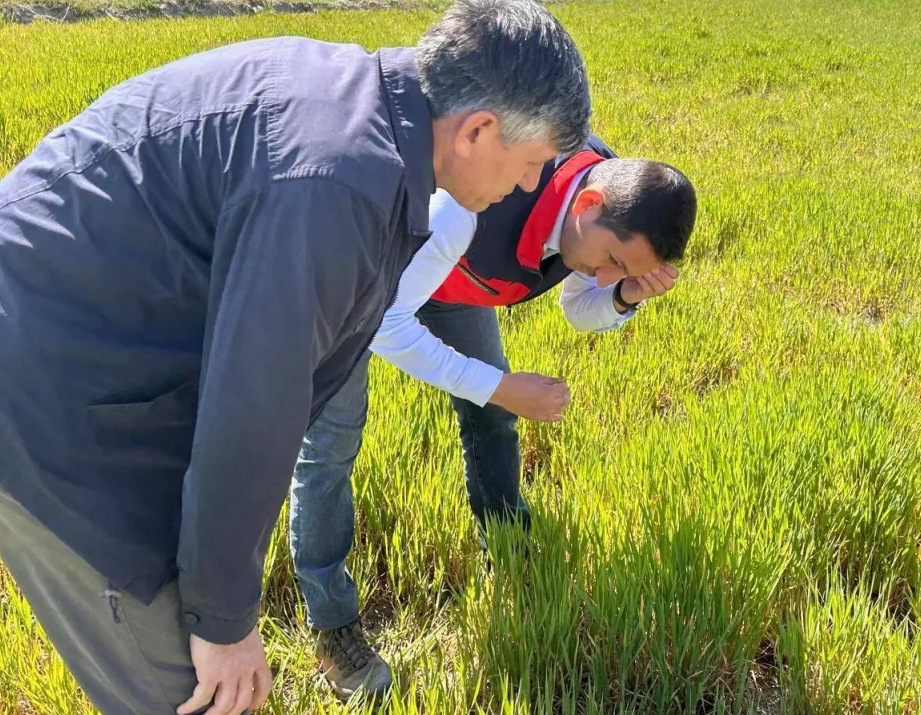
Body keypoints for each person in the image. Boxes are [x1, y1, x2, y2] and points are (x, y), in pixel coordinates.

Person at [0, 0, 591, 713]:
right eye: (531, 164)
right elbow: (254, 404)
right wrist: (222, 620)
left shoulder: (360, 114)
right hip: (46, 392)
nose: (527, 186)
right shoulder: (337, 183)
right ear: (478, 131)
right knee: (195, 692)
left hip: (92, 352)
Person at [289, 134, 697, 698]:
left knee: (491, 414)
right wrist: (502, 386)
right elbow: (384, 323)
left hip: (449, 269)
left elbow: (580, 308)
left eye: (620, 270)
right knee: (331, 445)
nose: (605, 276)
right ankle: (333, 625)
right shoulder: (470, 204)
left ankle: (507, 549)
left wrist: (625, 294)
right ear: (588, 205)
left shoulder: (603, 200)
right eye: (614, 262)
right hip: (354, 268)